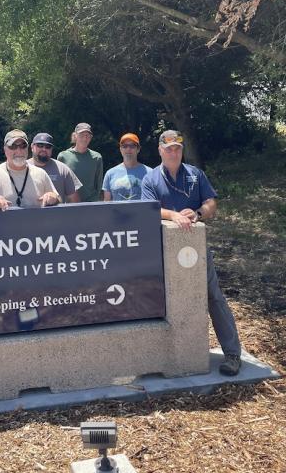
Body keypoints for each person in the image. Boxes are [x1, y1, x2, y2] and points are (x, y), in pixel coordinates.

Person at [141, 129, 242, 376]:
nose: (173, 152)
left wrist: (197, 213)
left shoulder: (196, 175)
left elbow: (211, 204)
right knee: (160, 300)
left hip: (196, 250)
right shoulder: (150, 179)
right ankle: (166, 357)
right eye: (168, 148)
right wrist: (173, 214)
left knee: (213, 296)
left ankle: (232, 354)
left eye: (177, 148)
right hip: (162, 252)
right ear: (160, 151)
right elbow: (147, 209)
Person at [0, 129, 60, 210]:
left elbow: (58, 198)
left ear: (28, 148)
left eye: (23, 146)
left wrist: (52, 197)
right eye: (13, 146)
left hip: (35, 225)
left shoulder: (41, 174)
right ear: (5, 150)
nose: (19, 151)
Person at [27, 132, 82, 203]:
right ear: (32, 147)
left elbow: (74, 199)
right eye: (40, 145)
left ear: (51, 149)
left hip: (57, 214)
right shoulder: (22, 168)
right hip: (29, 213)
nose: (44, 149)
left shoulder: (63, 169)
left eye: (48, 147)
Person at [57, 123, 103, 202]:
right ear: (75, 136)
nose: (85, 138)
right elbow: (59, 183)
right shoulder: (63, 156)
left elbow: (98, 184)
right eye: (82, 135)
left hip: (91, 205)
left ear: (91, 138)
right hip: (70, 206)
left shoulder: (97, 157)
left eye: (88, 135)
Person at [103, 132, 152, 201]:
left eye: (132, 146)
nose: (128, 149)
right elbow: (107, 204)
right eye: (124, 146)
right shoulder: (110, 174)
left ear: (138, 149)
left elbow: (154, 202)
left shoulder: (150, 173)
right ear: (120, 149)